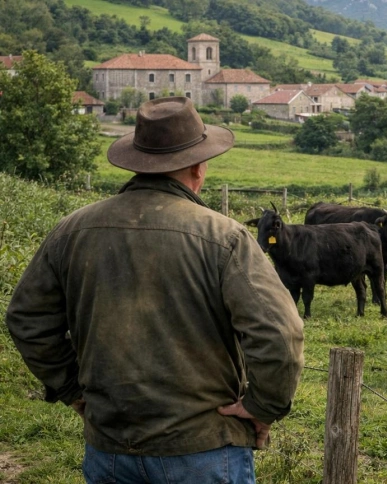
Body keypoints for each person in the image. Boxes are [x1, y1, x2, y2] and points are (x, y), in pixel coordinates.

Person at [5, 97, 304, 483]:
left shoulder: (72, 230)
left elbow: (27, 318)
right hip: (203, 446)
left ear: (138, 162)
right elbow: (280, 332)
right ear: (199, 167)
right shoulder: (224, 237)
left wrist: (72, 389)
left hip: (109, 445)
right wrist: (263, 406)